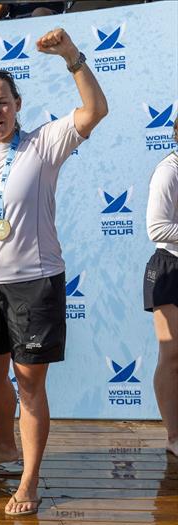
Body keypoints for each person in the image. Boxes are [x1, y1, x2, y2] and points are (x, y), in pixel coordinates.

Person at [0, 28, 108, 515]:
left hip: (35, 285)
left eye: (3, 103)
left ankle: (30, 479)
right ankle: (6, 445)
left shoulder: (44, 143)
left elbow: (95, 111)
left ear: (17, 104)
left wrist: (72, 57)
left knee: (29, 383)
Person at [144, 120, 178, 458]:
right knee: (172, 355)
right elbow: (157, 227)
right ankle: (173, 436)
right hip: (171, 269)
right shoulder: (169, 171)